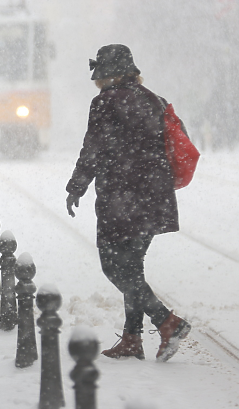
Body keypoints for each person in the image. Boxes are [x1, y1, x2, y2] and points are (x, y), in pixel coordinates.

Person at [65, 44, 191, 362]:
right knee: (132, 268)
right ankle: (133, 339)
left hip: (121, 199)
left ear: (106, 75)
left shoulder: (105, 103)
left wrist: (76, 187)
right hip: (154, 198)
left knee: (114, 266)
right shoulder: (155, 101)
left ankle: (167, 322)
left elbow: (92, 149)